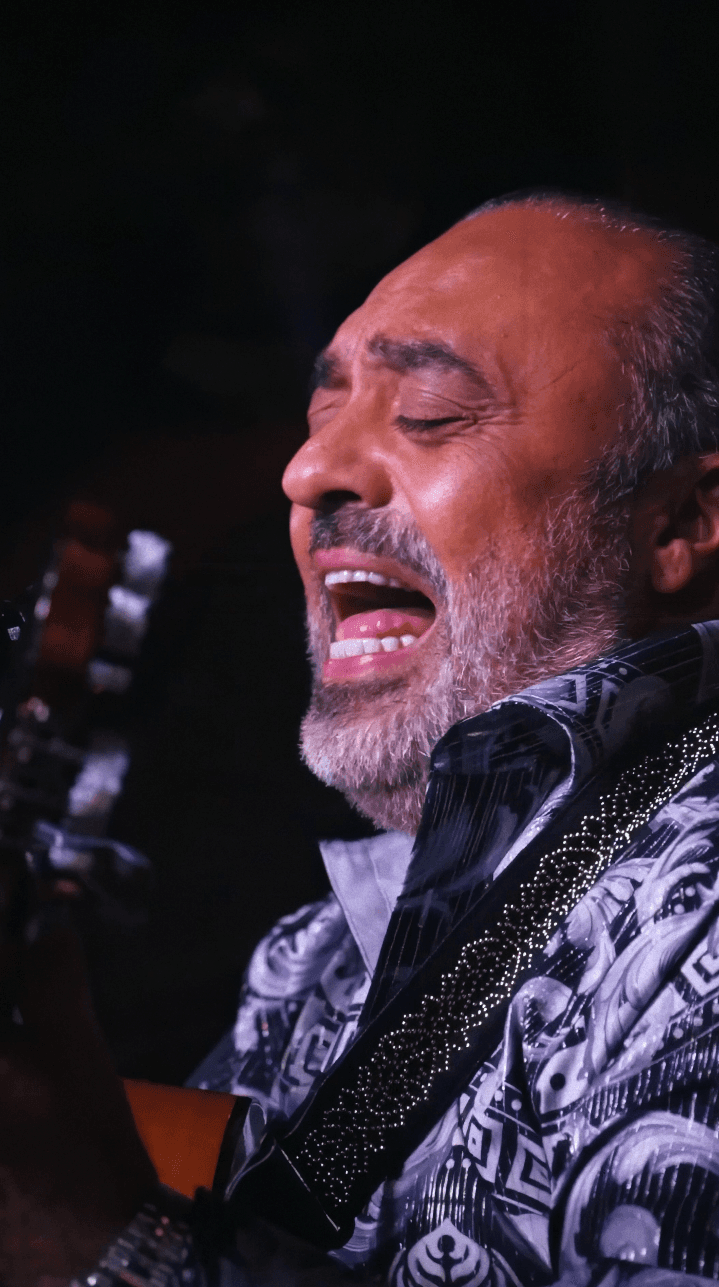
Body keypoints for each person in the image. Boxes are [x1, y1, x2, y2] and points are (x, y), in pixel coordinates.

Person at [5, 189, 719, 1286]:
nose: (304, 474)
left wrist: (108, 1246)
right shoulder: (315, 961)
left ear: (677, 524)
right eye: (320, 412)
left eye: (428, 412)